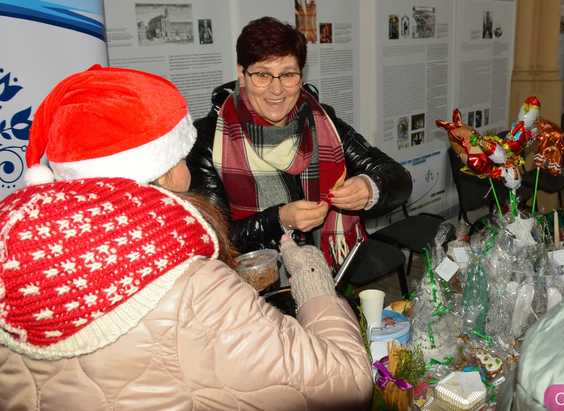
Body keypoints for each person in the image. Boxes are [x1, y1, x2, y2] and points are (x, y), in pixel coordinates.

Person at [0, 65, 372, 410]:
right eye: (182, 154)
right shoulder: (193, 287)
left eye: (288, 74)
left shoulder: (11, 255)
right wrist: (312, 275)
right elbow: (345, 383)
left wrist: (369, 186)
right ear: (163, 170)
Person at [187, 16, 412, 268]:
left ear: (301, 76)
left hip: (326, 274)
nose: (277, 89)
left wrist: (371, 187)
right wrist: (280, 220)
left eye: (288, 75)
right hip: (256, 289)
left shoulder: (322, 120)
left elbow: (398, 178)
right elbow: (211, 238)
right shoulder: (208, 138)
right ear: (242, 74)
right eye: (262, 74)